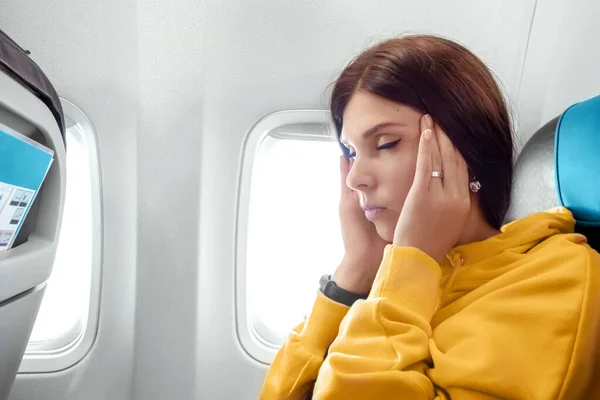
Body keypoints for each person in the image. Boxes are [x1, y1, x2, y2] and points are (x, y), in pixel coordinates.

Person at [258, 34, 600, 399]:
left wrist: (410, 266)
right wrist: (355, 271)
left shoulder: (556, 277)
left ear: (464, 149)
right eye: (352, 153)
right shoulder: (403, 277)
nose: (355, 178)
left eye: (386, 144)